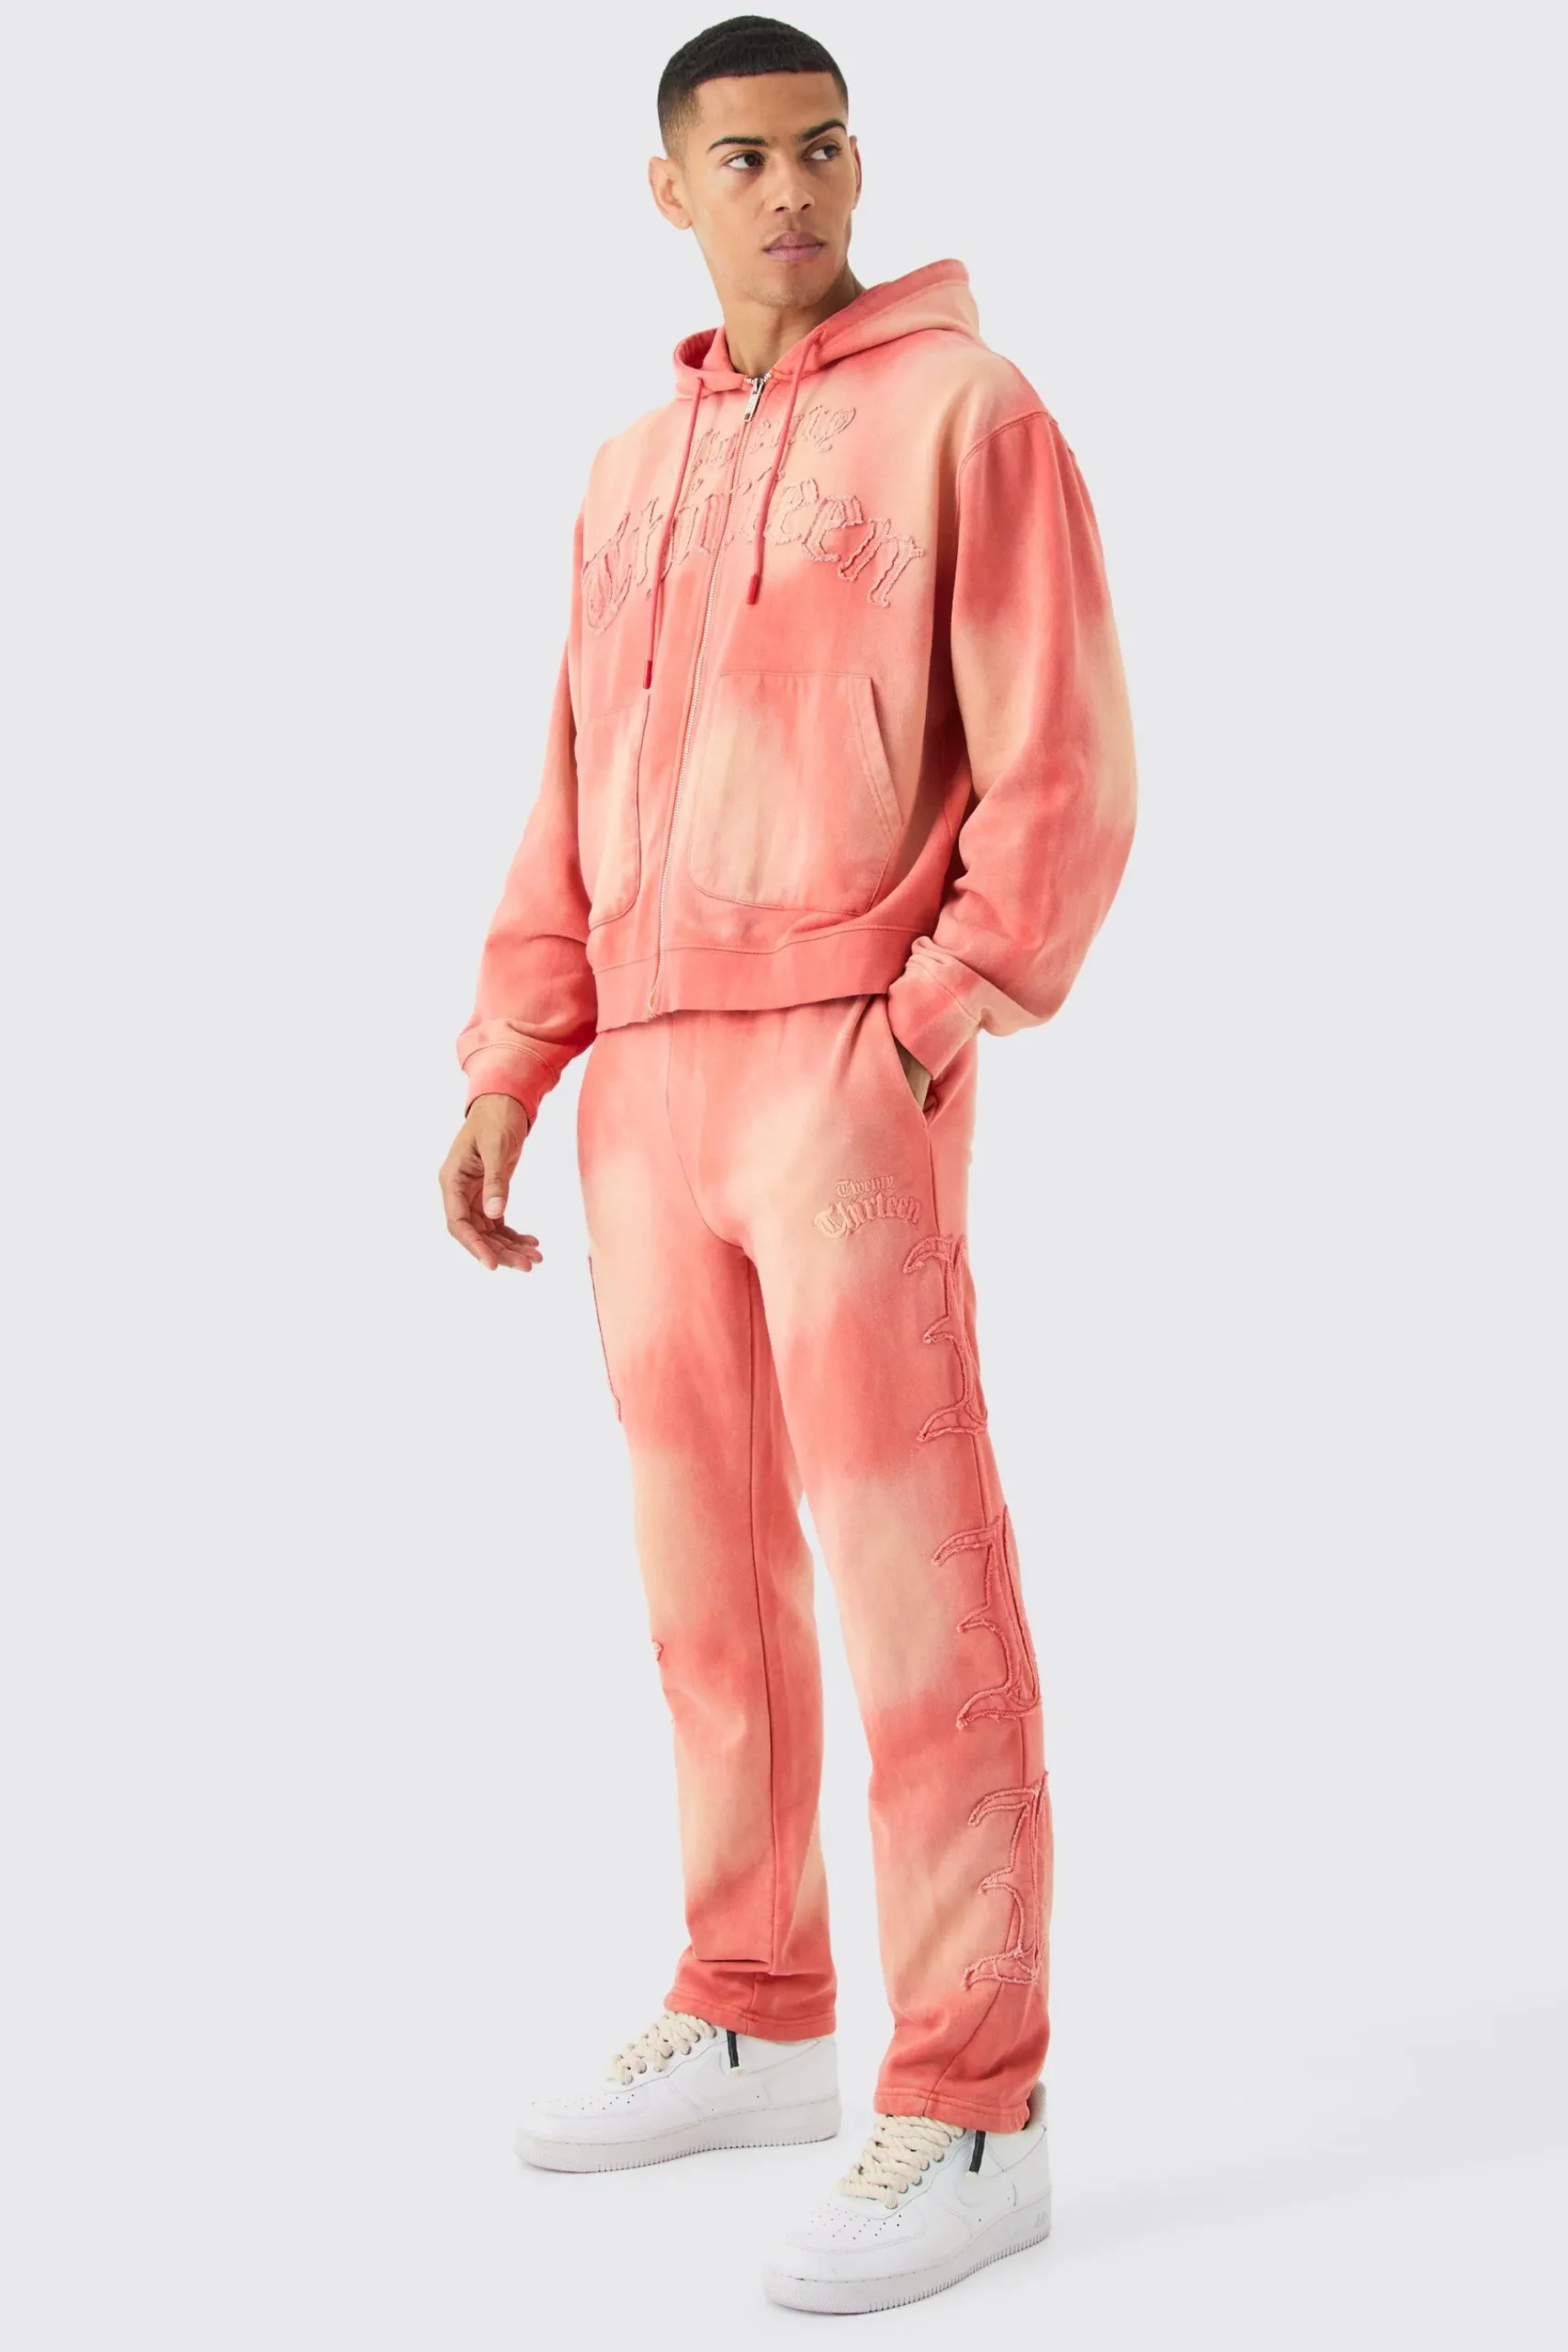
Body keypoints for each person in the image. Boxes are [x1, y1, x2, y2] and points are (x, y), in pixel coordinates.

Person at [439, 14, 1137, 2316]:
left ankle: (973, 2099)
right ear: (671, 190)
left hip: (842, 1063)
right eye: (741, 158)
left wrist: (925, 1017)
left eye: (821, 148)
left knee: (916, 1583)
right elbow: (565, 784)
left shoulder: (967, 415)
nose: (792, 189)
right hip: (644, 1084)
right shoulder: (624, 471)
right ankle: (752, 1999)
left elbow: (1059, 761)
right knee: (705, 1582)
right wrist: (512, 1058)